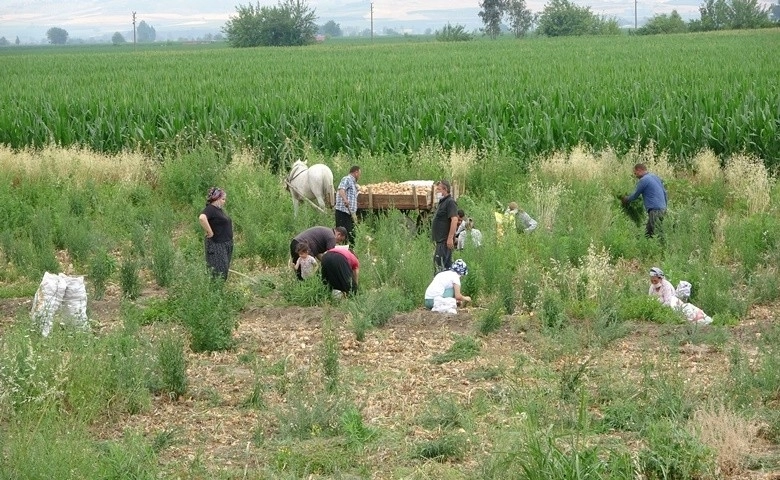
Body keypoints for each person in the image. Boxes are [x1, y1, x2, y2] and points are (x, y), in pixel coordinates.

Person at [622, 163, 668, 238]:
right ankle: (652, 247)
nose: (635, 175)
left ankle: (656, 247)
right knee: (652, 231)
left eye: (635, 173)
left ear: (639, 170)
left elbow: (635, 195)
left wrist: (625, 199)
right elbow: (665, 192)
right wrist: (665, 206)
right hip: (663, 209)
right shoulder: (655, 177)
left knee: (652, 233)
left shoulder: (643, 180)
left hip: (655, 210)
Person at [198, 187, 233, 281]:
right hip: (217, 245)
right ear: (216, 199)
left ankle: (219, 291)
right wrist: (210, 232)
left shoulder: (218, 210)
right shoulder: (211, 209)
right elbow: (202, 218)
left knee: (224, 269)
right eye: (223, 199)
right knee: (218, 271)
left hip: (226, 243)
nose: (224, 202)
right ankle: (215, 290)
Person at [432, 180, 459, 274]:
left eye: (438, 189)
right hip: (440, 242)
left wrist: (450, 238)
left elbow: (454, 220)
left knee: (439, 268)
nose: (437, 191)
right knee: (446, 269)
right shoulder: (442, 202)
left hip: (444, 242)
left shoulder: (450, 202)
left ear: (445, 189)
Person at [335, 165, 361, 248]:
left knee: (351, 234)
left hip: (349, 213)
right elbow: (341, 189)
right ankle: (342, 251)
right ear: (356, 172)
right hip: (343, 211)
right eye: (359, 174)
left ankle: (351, 250)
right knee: (343, 234)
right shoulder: (347, 179)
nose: (359, 176)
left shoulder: (353, 183)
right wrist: (345, 199)